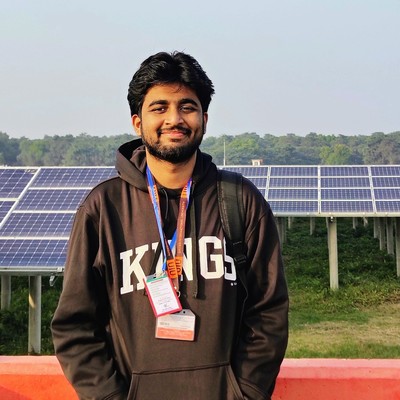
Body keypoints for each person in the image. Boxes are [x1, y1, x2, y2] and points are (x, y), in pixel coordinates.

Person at [51, 51, 289, 400]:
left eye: (187, 107)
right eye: (159, 108)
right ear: (137, 122)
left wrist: (245, 392)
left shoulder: (240, 200)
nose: (174, 119)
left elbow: (268, 311)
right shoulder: (103, 209)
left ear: (204, 119)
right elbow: (75, 325)